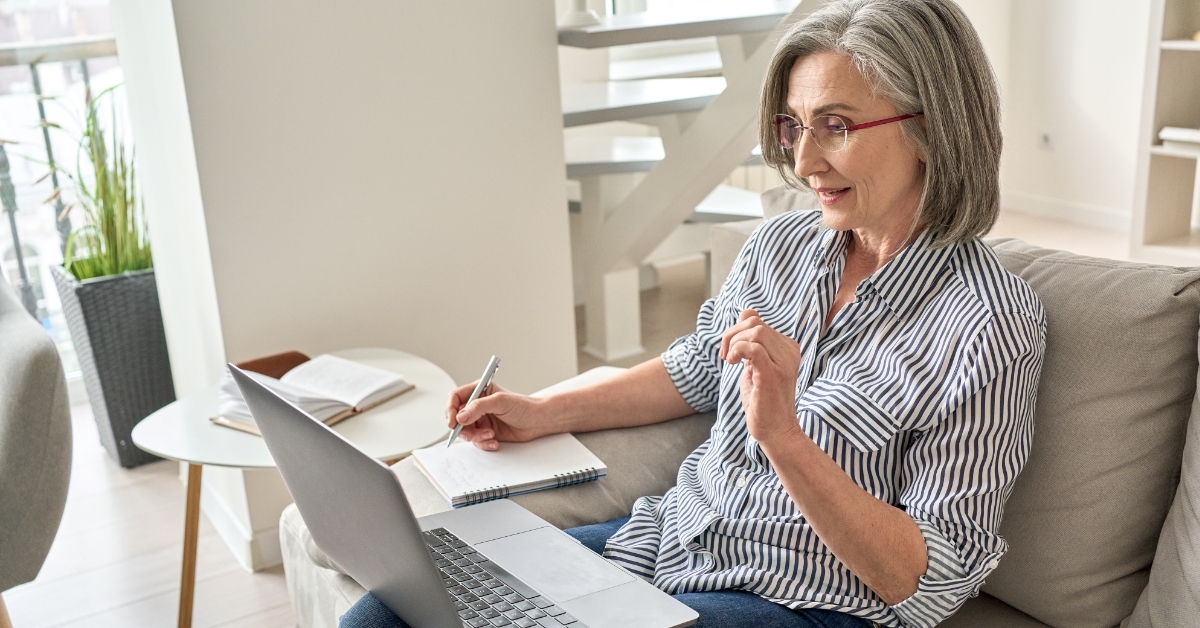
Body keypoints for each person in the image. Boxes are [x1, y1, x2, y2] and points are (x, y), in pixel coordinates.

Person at [340, 0, 1045, 626]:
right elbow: (692, 371)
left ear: (934, 127)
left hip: (797, 599)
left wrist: (785, 439)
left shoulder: (990, 325)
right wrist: (542, 410)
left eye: (836, 126)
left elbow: (929, 579)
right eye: (794, 126)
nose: (804, 163)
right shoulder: (779, 249)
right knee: (386, 609)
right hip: (664, 543)